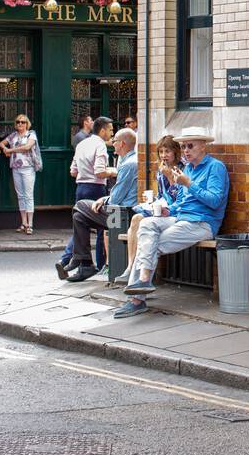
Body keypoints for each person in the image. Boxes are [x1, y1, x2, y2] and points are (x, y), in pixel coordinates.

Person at [115, 126, 230, 319]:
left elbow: (215, 200)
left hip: (202, 223)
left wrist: (188, 184)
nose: (185, 150)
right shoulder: (188, 169)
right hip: (180, 218)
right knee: (147, 224)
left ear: (203, 146)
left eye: (190, 146)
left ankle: (136, 299)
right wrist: (168, 210)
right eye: (183, 146)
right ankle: (143, 282)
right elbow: (181, 202)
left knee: (150, 244)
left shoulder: (215, 167)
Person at [64, 129, 138, 282]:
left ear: (122, 144)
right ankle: (85, 264)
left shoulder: (128, 164)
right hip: (121, 211)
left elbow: (116, 199)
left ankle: (80, 260)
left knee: (80, 205)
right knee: (79, 217)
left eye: (115, 140)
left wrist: (103, 200)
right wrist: (105, 199)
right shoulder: (127, 161)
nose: (112, 143)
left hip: (121, 214)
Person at [114, 135, 183, 286]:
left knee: (142, 224)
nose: (164, 155)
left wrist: (170, 176)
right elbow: (162, 194)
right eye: (161, 152)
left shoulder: (182, 169)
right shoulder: (160, 170)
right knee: (136, 218)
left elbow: (179, 197)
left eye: (167, 151)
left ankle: (135, 272)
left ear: (176, 152)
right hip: (162, 208)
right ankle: (131, 267)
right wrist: (152, 202)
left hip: (175, 213)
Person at [58, 116, 117, 276]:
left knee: (80, 225)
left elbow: (73, 171)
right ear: (102, 130)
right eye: (111, 130)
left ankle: (65, 259)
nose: (112, 133)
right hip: (96, 189)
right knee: (101, 229)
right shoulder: (100, 146)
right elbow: (99, 171)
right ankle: (98, 265)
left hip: (81, 188)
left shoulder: (82, 144)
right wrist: (114, 171)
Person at [0, 114, 41, 235]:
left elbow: (27, 147)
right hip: (16, 168)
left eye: (23, 122)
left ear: (27, 123)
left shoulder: (31, 134)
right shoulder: (13, 135)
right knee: (20, 195)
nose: (20, 124)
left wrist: (10, 150)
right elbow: (2, 143)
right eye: (18, 122)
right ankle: (24, 223)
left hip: (28, 168)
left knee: (28, 195)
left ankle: (30, 224)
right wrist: (3, 149)